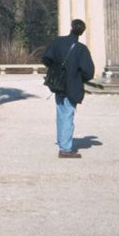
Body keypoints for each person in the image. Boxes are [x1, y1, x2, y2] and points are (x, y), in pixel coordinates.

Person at [43, 19, 95, 159]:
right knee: (67, 115)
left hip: (58, 83)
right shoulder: (81, 49)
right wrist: (78, 77)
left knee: (61, 114)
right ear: (82, 32)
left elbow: (46, 59)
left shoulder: (57, 42)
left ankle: (62, 143)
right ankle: (65, 149)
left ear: (71, 27)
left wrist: (56, 69)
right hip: (72, 85)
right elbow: (89, 72)